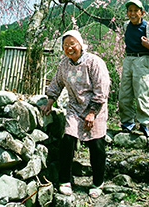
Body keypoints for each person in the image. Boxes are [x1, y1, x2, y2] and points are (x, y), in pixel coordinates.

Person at [41, 29, 110, 198]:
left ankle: (98, 182)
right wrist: (50, 101)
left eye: (72, 44)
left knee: (97, 146)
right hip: (75, 108)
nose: (69, 48)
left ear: (80, 44)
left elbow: (102, 87)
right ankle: (65, 180)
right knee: (67, 140)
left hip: (96, 108)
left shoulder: (94, 62)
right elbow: (57, 82)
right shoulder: (64, 64)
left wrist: (92, 112)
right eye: (65, 45)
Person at [119, 0, 149, 137]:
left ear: (142, 12)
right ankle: (127, 123)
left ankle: (144, 124)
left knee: (142, 94)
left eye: (136, 11)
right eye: (130, 11)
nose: (132, 13)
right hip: (128, 59)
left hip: (143, 59)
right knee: (124, 93)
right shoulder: (126, 26)